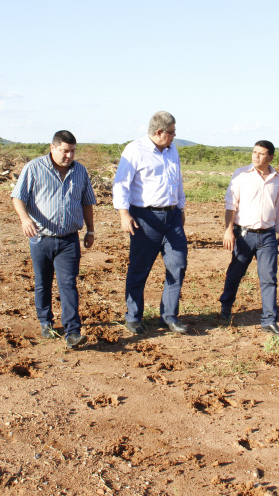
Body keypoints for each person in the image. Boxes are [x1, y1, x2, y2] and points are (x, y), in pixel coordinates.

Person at [11, 130, 96, 349]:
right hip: (41, 238)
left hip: (69, 239)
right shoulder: (33, 168)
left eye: (72, 151)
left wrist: (90, 230)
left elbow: (87, 202)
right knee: (43, 283)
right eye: (64, 151)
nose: (69, 156)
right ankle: (45, 321)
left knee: (68, 284)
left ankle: (73, 331)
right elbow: (18, 198)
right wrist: (24, 219)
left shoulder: (80, 172)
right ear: (53, 148)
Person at [112, 111, 189, 335]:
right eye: (172, 132)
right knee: (139, 269)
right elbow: (121, 185)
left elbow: (178, 180)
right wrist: (124, 215)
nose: (174, 136)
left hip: (172, 217)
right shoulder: (135, 150)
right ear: (159, 132)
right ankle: (134, 317)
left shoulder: (172, 149)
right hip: (145, 218)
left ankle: (169, 316)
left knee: (178, 264)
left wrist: (181, 207)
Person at [219, 140, 279, 336]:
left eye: (261, 153)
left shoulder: (276, 178)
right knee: (235, 273)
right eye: (254, 152)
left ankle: (269, 321)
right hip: (243, 235)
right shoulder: (241, 174)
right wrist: (228, 230)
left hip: (267, 235)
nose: (256, 156)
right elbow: (231, 205)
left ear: (271, 157)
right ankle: (226, 306)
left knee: (269, 278)